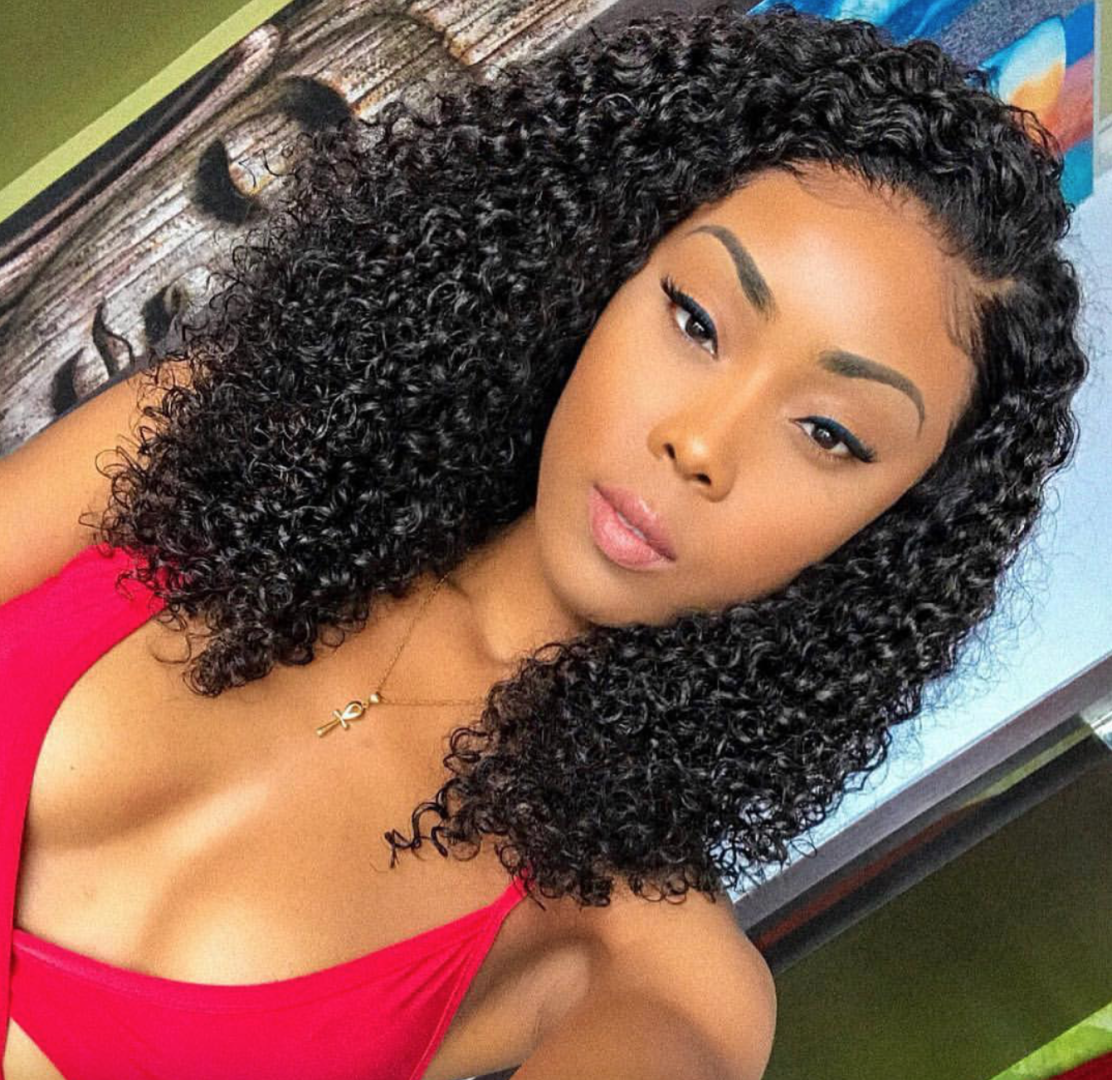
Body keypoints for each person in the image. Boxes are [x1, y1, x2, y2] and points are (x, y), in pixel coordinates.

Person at [0, 4, 1090, 1079]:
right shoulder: (211, 440)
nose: (700, 443)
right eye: (697, 320)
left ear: (890, 534)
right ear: (602, 261)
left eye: (828, 433)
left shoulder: (650, 969)